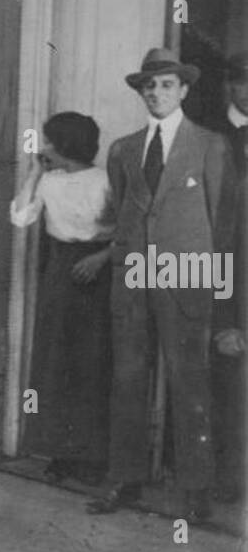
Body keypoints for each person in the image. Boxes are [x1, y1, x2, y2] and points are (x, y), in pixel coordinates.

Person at [87, 47, 233, 523]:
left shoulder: (210, 145)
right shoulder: (124, 149)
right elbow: (127, 210)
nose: (156, 92)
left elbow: (224, 222)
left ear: (184, 90)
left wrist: (221, 293)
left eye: (167, 84)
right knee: (127, 377)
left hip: (187, 275)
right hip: (133, 273)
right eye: (149, 85)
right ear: (141, 92)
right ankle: (123, 479)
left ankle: (195, 488)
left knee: (189, 380)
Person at [10, 112, 114, 485]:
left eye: (50, 141)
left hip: (98, 271)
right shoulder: (49, 181)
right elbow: (21, 217)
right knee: (55, 360)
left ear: (66, 144)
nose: (45, 147)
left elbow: (132, 228)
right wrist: (36, 173)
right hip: (60, 270)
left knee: (92, 362)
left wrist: (103, 258)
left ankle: (92, 457)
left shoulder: (105, 180)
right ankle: (59, 451)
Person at [209, 52, 248, 502]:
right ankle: (226, 481)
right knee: (227, 386)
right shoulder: (206, 135)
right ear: (230, 86)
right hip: (226, 272)